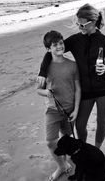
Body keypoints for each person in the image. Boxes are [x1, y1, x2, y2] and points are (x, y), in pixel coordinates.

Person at [38, 3, 105, 149]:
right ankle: (83, 149)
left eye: (82, 25)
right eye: (78, 24)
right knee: (80, 126)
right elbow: (52, 51)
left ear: (92, 23)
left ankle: (97, 150)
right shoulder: (75, 40)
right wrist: (42, 72)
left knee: (101, 122)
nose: (79, 27)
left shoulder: (104, 40)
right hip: (85, 91)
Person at [36, 30, 81, 181]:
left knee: (66, 138)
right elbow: (38, 90)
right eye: (55, 45)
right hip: (52, 110)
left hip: (69, 110)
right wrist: (46, 92)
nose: (59, 47)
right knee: (50, 141)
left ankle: (67, 160)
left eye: (61, 43)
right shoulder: (45, 68)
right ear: (48, 49)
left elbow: (78, 88)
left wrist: (76, 109)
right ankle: (61, 166)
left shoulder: (73, 65)